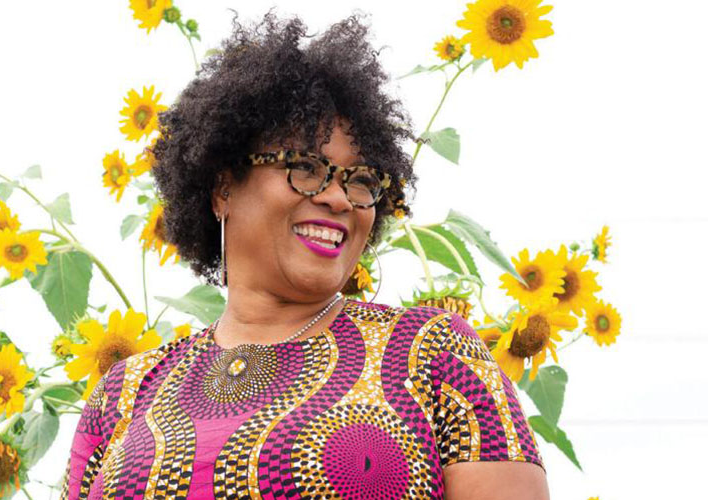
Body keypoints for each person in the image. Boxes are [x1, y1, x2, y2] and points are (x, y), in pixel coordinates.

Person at [59, 11, 548, 500]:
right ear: (223, 187)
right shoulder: (123, 393)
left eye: (360, 180)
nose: (339, 198)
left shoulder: (431, 353)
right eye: (306, 167)